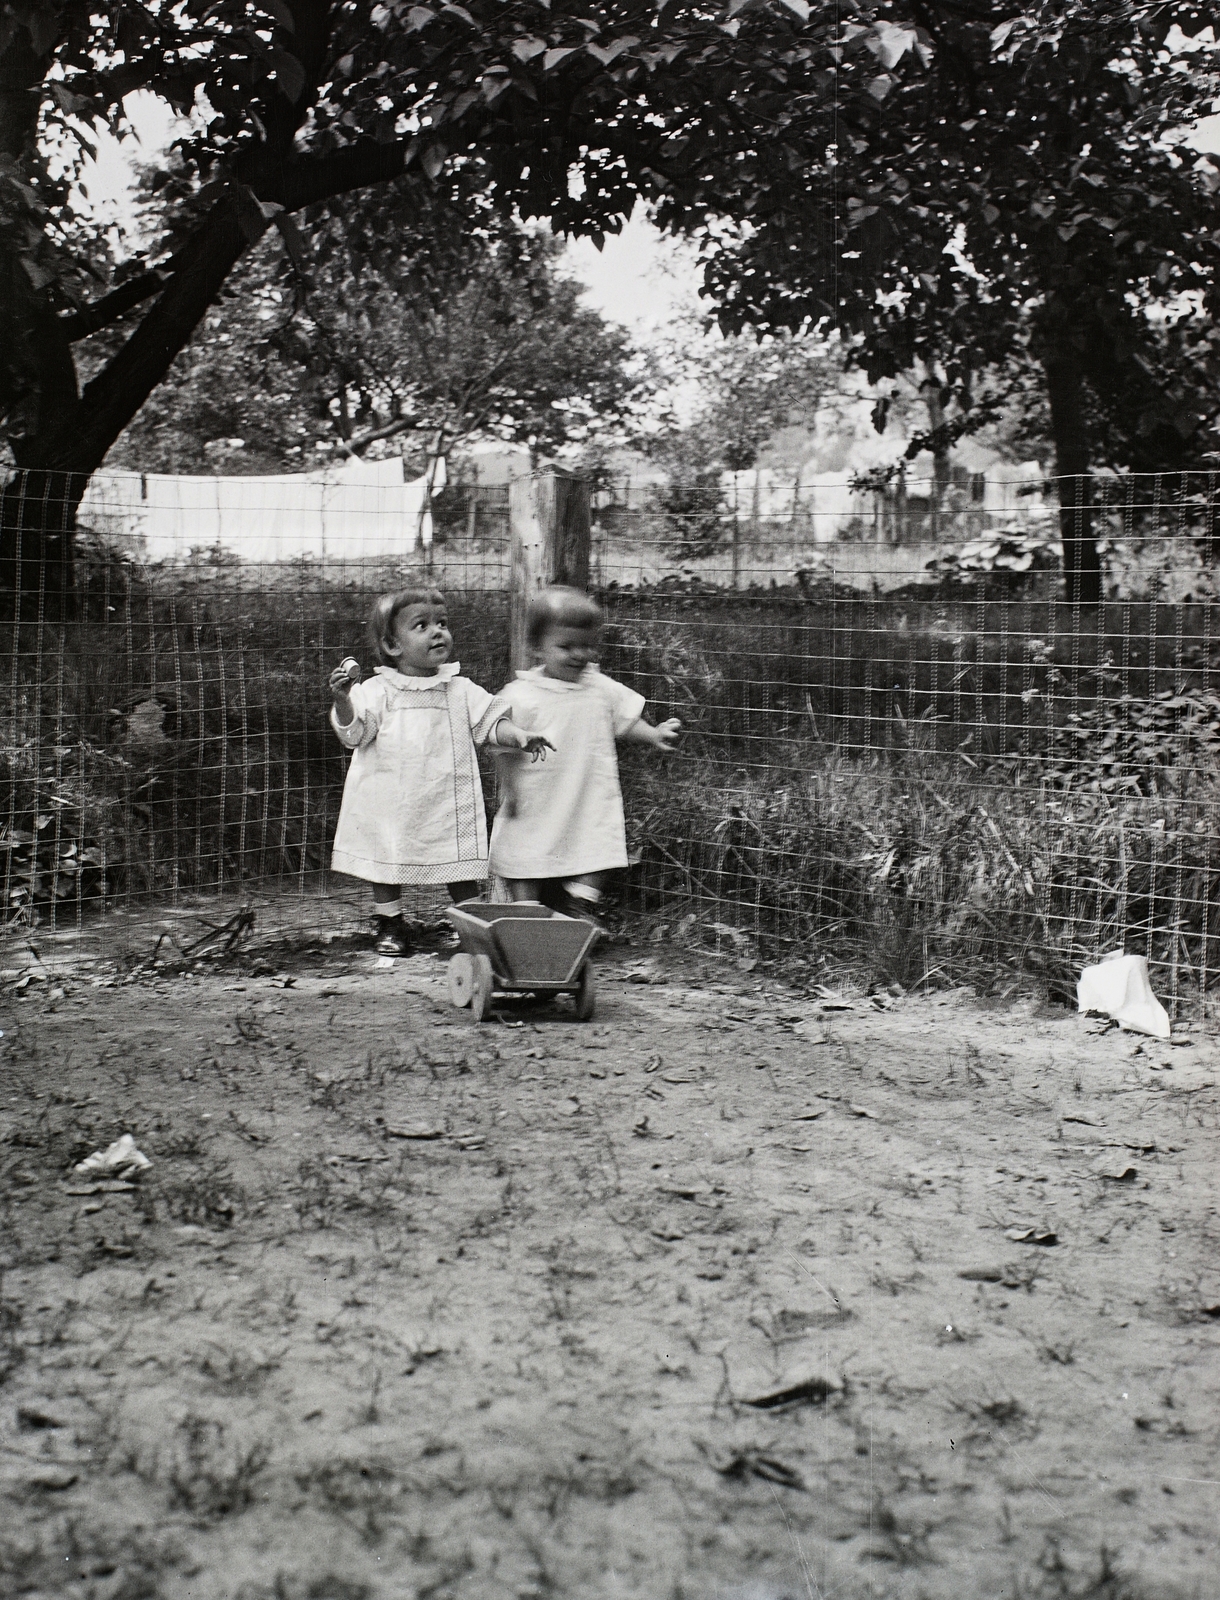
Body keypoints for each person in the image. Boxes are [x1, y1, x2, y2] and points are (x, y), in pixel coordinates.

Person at [329, 586, 552, 956]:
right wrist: (343, 702)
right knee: (387, 859)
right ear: (392, 645)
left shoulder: (459, 689)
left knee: (461, 863)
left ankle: (470, 925)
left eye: (443, 623)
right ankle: (390, 922)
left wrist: (519, 736)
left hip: (446, 797)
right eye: (422, 626)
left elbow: (490, 723)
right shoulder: (376, 691)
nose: (437, 632)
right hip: (391, 800)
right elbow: (355, 735)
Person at [489, 586, 680, 917]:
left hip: (586, 792)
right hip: (536, 796)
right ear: (537, 648)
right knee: (524, 850)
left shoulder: (598, 686)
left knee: (597, 841)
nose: (579, 655)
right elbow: (500, 744)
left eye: (587, 646)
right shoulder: (520, 695)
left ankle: (580, 903)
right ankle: (525, 912)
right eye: (566, 647)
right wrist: (509, 788)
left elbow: (623, 718)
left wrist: (653, 734)